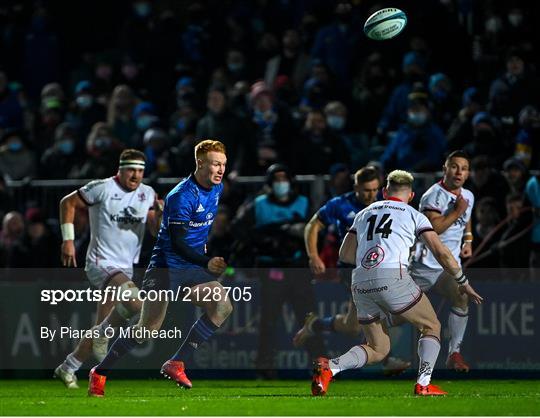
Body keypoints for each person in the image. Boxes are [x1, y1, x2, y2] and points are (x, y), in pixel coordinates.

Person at [311, 170, 483, 397]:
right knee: (432, 326)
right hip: (392, 275)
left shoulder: (363, 213)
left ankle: (330, 367)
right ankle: (423, 384)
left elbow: (345, 254)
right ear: (411, 195)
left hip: (361, 280)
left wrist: (373, 251)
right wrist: (462, 281)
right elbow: (441, 252)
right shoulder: (414, 215)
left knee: (378, 348)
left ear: (383, 192)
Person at [88, 140, 232, 397]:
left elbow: (198, 230)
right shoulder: (181, 196)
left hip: (191, 268)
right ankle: (100, 372)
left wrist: (203, 252)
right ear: (200, 163)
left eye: (223, 164)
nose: (221, 169)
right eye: (215, 164)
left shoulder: (217, 187)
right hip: (166, 268)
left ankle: (176, 362)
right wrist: (205, 262)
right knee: (146, 330)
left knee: (222, 304)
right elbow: (177, 243)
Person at [54, 149, 161, 389]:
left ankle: (69, 366)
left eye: (141, 171)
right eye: (131, 170)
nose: (136, 175)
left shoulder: (148, 193)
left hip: (125, 268)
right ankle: (99, 338)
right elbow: (67, 202)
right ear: (120, 170)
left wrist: (161, 216)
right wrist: (68, 240)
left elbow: (155, 230)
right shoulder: (102, 187)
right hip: (101, 262)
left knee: (103, 325)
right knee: (135, 301)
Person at [293, 166, 410, 375]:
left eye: (374, 189)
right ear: (356, 186)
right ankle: (387, 359)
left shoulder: (384, 205)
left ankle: (316, 324)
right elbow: (313, 225)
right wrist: (313, 255)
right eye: (366, 190)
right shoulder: (341, 204)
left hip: (378, 267)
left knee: (353, 326)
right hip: (351, 269)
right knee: (379, 307)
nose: (370, 194)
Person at [231, 163, 325, 377]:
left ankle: (321, 364)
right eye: (277, 179)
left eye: (285, 178)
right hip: (270, 266)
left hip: (297, 267)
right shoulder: (259, 204)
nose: (281, 183)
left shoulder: (304, 203)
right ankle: (265, 366)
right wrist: (268, 239)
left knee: (309, 318)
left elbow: (315, 231)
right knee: (269, 320)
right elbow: (239, 229)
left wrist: (293, 235)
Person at [409, 151, 475, 371]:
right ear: (445, 168)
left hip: (447, 267)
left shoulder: (468, 196)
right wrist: (457, 211)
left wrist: (468, 241)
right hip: (422, 267)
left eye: (464, 168)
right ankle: (372, 343)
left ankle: (454, 353)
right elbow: (433, 229)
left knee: (461, 295)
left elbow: (467, 219)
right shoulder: (432, 196)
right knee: (399, 316)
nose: (459, 172)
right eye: (454, 166)